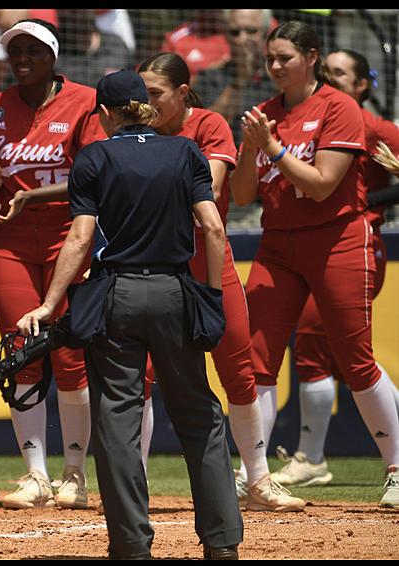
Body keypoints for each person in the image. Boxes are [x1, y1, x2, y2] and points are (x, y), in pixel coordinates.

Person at [16, 69, 243, 560]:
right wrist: (208, 294)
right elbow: (213, 228)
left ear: (103, 113)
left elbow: (79, 239)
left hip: (116, 294)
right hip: (174, 291)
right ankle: (222, 545)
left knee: (118, 421)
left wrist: (50, 303)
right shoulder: (186, 151)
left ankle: (132, 547)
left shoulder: (94, 156)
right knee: (200, 416)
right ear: (148, 106)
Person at [230, 20, 399, 508]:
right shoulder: (262, 114)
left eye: (285, 57)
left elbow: (324, 183)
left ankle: (395, 468)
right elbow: (242, 194)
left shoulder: (340, 107)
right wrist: (250, 148)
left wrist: (273, 148)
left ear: (311, 56)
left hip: (338, 240)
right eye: (270, 59)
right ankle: (254, 474)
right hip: (278, 243)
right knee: (256, 358)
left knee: (354, 358)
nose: (276, 66)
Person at [137, 52, 304, 512]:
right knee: (140, 378)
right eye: (142, 94)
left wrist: (146, 188)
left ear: (183, 92)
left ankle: (258, 480)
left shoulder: (210, 125)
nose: (146, 104)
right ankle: (137, 483)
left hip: (210, 262)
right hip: (153, 266)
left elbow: (207, 193)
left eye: (156, 94)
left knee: (238, 370)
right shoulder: (137, 131)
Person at [0, 19, 103, 510]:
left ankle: (74, 475)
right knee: (21, 352)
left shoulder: (85, 102)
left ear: (53, 55)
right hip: (12, 240)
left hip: (72, 236)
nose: (21, 57)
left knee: (69, 356)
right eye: (14, 50)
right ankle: (35, 476)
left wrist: (30, 194)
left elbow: (94, 177)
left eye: (32, 49)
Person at [272, 48, 399, 492]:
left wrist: (374, 201)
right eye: (328, 72)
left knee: (343, 353)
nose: (332, 79)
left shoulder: (378, 128)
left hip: (357, 243)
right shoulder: (306, 116)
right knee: (316, 352)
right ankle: (312, 458)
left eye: (341, 73)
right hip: (304, 244)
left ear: (362, 85)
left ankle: (322, 456)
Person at [195, 9, 278, 146]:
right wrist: (239, 81)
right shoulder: (209, 77)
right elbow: (206, 129)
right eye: (235, 32)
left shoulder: (278, 76)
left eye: (251, 31)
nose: (242, 39)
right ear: (226, 36)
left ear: (265, 34)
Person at [53, 10, 132, 89]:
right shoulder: (55, 49)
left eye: (84, 12)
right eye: (74, 12)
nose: (80, 16)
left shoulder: (116, 45)